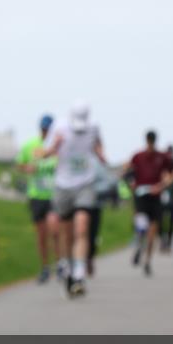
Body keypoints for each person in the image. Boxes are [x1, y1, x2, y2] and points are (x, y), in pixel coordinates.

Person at [37, 101, 108, 297]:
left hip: (85, 184)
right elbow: (42, 154)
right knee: (66, 234)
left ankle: (79, 275)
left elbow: (99, 146)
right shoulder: (58, 127)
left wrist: (101, 155)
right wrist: (54, 148)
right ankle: (68, 268)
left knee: (82, 227)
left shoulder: (93, 127)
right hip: (63, 186)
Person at [16, 114, 60, 283]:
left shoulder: (57, 147)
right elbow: (19, 163)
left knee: (55, 230)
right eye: (43, 129)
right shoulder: (30, 145)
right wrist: (27, 168)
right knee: (41, 234)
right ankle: (45, 267)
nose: (46, 133)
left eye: (48, 130)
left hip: (54, 195)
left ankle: (60, 264)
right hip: (36, 195)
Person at [125, 130, 173, 277]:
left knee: (152, 231)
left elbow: (169, 176)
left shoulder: (162, 157)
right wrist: (131, 185)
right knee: (142, 227)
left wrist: (160, 186)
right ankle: (140, 247)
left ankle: (147, 261)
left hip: (155, 196)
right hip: (141, 196)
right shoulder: (137, 156)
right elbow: (127, 171)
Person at [87, 158, 115, 277]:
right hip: (77, 205)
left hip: (94, 204)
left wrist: (93, 190)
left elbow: (109, 182)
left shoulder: (98, 164)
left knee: (92, 235)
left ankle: (89, 258)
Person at [158, 145, 173, 253]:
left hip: (172, 198)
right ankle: (162, 241)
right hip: (161, 197)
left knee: (171, 222)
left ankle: (169, 242)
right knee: (160, 221)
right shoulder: (161, 165)